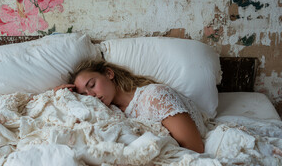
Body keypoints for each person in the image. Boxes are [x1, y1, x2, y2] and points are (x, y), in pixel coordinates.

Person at [54, 59, 205, 153]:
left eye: (92, 85)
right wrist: (61, 96)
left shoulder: (155, 96)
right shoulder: (112, 114)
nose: (91, 95)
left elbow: (195, 148)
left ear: (109, 74)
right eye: (85, 95)